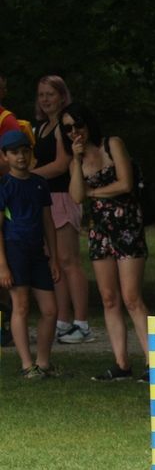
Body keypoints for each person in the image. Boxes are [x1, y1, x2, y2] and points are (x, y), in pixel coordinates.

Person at [65, 104, 151, 382]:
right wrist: (76, 160)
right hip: (99, 230)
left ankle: (153, 363)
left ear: (88, 123)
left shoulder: (112, 144)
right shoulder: (75, 162)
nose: (74, 132)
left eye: (78, 125)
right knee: (108, 298)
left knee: (132, 297)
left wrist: (93, 192)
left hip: (127, 227)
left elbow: (125, 184)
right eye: (68, 129)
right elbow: (76, 196)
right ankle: (121, 363)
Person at [32, 76, 93, 346]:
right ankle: (63, 320)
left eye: (50, 94)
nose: (45, 99)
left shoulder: (64, 127)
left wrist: (28, 176)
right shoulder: (40, 127)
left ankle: (82, 323)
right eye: (41, 94)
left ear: (62, 96)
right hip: (45, 200)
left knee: (69, 261)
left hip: (64, 197)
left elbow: (60, 165)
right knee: (53, 261)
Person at [0, 129, 61, 378]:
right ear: (5, 156)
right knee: (21, 306)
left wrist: (54, 258)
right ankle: (27, 365)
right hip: (14, 249)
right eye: (14, 152)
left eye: (25, 151)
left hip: (37, 251)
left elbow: (48, 222)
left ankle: (43, 362)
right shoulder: (4, 185)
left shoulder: (39, 183)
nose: (21, 157)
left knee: (50, 309)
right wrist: (2, 265)